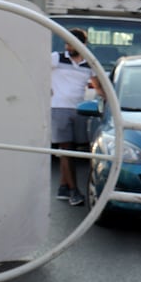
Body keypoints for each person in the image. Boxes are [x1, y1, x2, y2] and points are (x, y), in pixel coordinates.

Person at [51, 28, 101, 206]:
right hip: (59, 109)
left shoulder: (89, 63)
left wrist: (107, 102)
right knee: (66, 150)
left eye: (71, 43)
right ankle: (74, 191)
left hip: (80, 110)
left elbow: (98, 86)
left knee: (74, 150)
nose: (68, 46)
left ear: (82, 44)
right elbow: (37, 69)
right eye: (66, 43)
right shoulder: (56, 58)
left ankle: (63, 186)